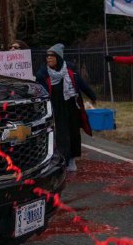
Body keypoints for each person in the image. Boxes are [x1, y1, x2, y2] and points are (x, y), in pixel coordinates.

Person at [36, 43, 97, 172]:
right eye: (47, 56)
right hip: (56, 107)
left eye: (52, 56)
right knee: (62, 134)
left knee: (74, 132)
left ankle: (72, 159)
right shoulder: (43, 73)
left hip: (71, 105)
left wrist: (92, 95)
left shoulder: (70, 69)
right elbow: (40, 91)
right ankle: (63, 159)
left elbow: (81, 84)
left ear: (58, 57)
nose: (49, 59)